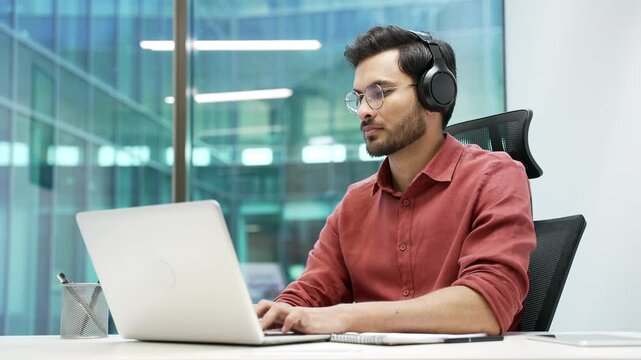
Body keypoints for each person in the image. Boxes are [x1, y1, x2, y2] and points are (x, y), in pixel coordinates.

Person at [255, 25, 536, 336]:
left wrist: (348, 317)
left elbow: (486, 306)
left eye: (378, 93)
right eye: (359, 97)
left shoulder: (495, 177)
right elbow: (309, 295)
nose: (363, 111)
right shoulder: (355, 203)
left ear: (434, 93)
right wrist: (276, 314)